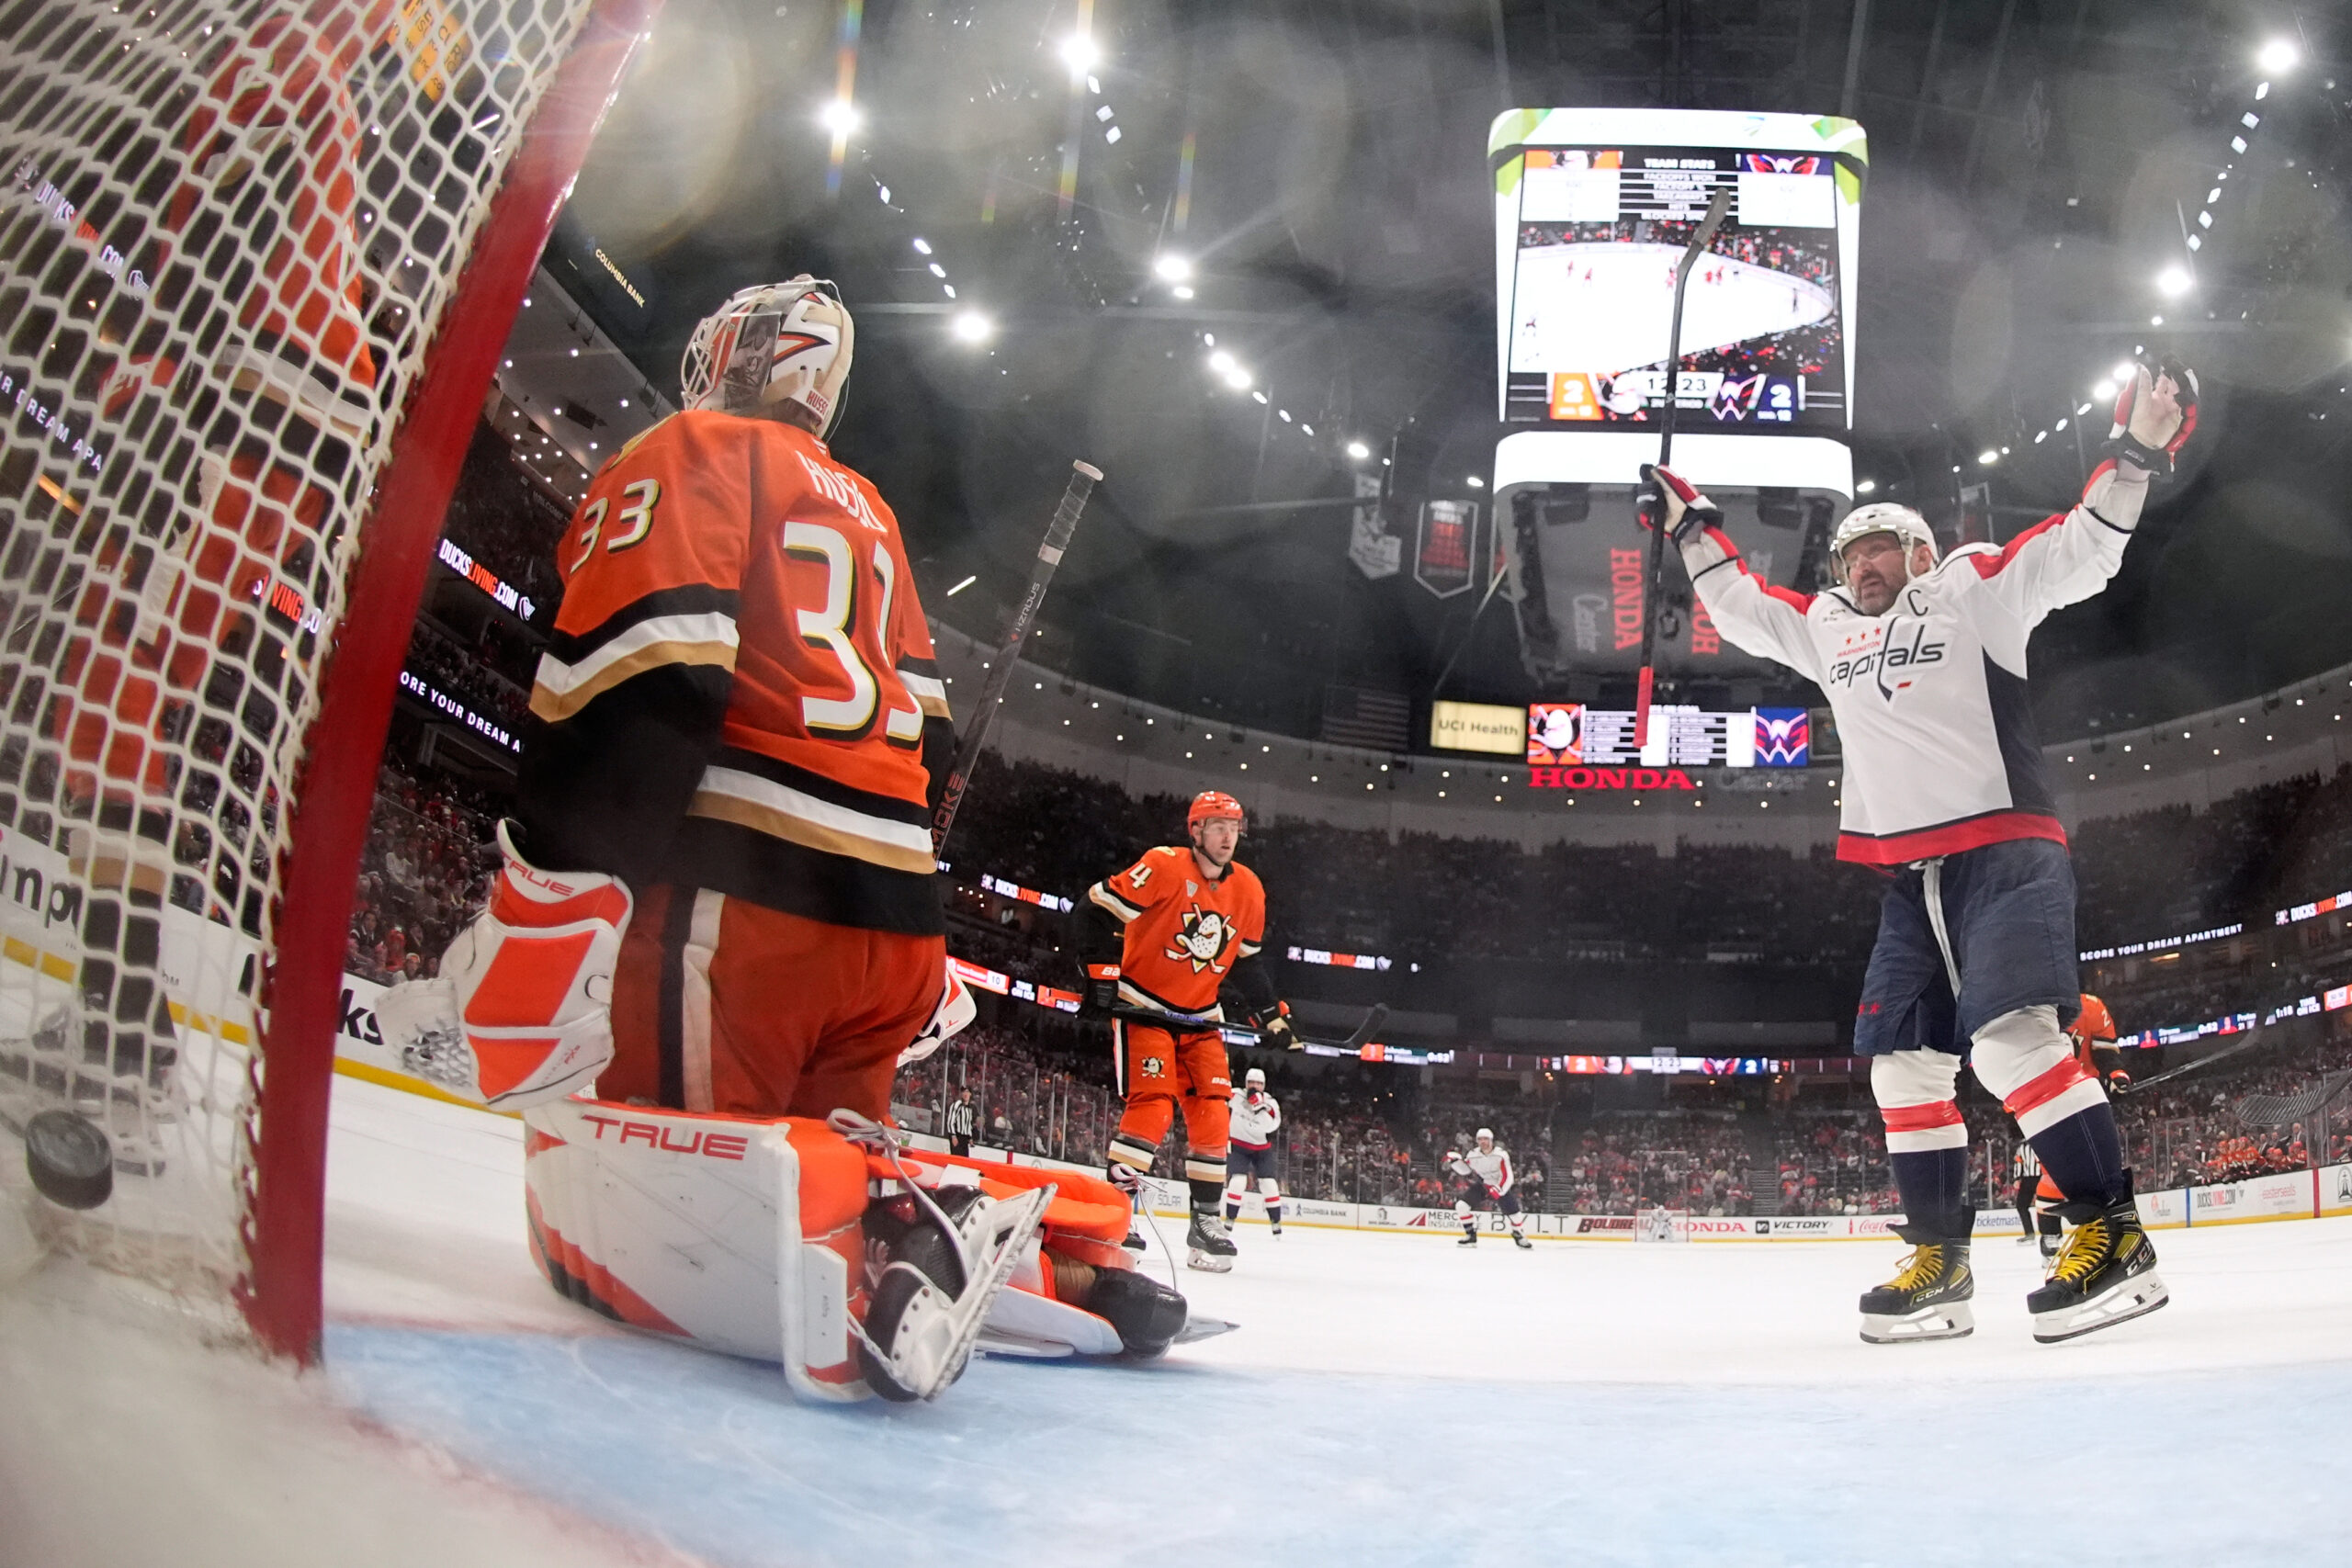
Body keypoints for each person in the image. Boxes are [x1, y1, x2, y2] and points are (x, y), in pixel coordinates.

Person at [381, 278, 1018, 1402]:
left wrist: (553, 883)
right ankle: (906, 1233)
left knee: (659, 1230)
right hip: (894, 931)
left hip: (743, 908)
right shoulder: (869, 508)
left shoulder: (694, 447)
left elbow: (649, 673)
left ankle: (899, 1250)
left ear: (736, 354)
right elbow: (920, 731)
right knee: (813, 1182)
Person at [1648, 355, 2196, 1345]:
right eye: (1849, 554)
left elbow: (2080, 549)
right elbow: (1739, 605)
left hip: (2005, 854)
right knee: (1900, 1067)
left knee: (2009, 1045)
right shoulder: (1822, 628)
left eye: (1881, 549)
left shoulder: (1967, 591)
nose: (1862, 564)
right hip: (1910, 879)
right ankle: (1940, 1262)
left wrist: (2135, 451)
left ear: (1917, 551)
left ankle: (2111, 1236)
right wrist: (1693, 531)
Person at [1081, 791, 1297, 1271]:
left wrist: (1271, 1015)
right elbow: (1095, 911)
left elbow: (1247, 962)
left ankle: (1205, 1221)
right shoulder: (1162, 864)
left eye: (1234, 826)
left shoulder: (1249, 889)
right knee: (1153, 1106)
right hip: (1145, 1007)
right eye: (1217, 825)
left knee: (1214, 1115)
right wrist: (1100, 978)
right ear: (1195, 830)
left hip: (1201, 1017)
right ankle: (1119, 1215)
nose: (1228, 836)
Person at [2022, 994, 2132, 1259]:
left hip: (2084, 1094)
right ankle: (2050, 1234)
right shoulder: (2023, 1007)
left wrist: (2116, 1075)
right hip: (2040, 1098)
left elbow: (2104, 1052)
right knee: (2053, 1172)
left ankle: (2106, 1231)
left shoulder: (2091, 1006)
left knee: (2101, 1168)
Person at [1225, 1066, 1285, 1236]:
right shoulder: (1236, 1095)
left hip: (1261, 1148)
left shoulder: (1271, 1103)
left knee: (1269, 1185)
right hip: (1239, 1145)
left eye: (1258, 1083)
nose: (1254, 1086)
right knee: (1238, 1181)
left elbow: (1272, 1126)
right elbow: (1220, 1097)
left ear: (1264, 1085)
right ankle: (1230, 1219)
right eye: (1251, 1082)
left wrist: (1259, 1107)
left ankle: (1276, 1222)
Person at [1448, 1128, 1532, 1249]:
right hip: (1484, 1185)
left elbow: (1507, 1175)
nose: (1483, 1142)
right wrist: (1455, 1163)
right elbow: (1466, 1171)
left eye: (1485, 1139)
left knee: (1515, 1214)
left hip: (1499, 1184)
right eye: (1480, 1139)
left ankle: (1519, 1235)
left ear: (1491, 1140)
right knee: (1461, 1206)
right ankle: (1470, 1235)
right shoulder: (1473, 1155)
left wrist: (1499, 1189)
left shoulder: (1501, 1155)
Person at [945, 1085, 978, 1158]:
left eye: (967, 1092)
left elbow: (968, 1124)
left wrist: (970, 1138)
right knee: (957, 1159)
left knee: (965, 1159)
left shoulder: (970, 1108)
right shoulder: (957, 1105)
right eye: (963, 1092)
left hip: (964, 1138)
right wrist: (953, 1136)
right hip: (957, 1135)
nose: (965, 1094)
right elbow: (950, 1121)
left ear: (970, 1094)